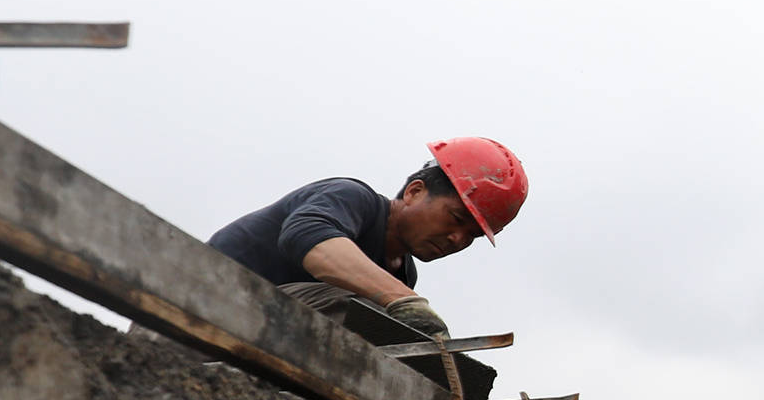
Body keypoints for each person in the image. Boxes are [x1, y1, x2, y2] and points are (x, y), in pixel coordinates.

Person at [209, 138, 529, 338]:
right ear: (415, 192)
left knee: (385, 328)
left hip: (257, 328)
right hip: (206, 297)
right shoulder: (352, 198)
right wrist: (404, 301)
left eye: (472, 236)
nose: (458, 239)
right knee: (364, 312)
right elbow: (307, 237)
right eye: (457, 219)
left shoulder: (403, 272)